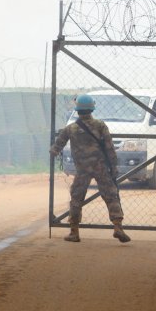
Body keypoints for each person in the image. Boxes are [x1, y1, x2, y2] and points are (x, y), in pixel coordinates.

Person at [50, 94, 131, 243]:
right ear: (92, 109)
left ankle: (74, 233)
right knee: (111, 196)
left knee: (76, 199)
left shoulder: (71, 129)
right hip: (101, 167)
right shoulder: (100, 125)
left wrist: (53, 151)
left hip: (82, 170)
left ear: (78, 110)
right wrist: (113, 167)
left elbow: (57, 147)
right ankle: (118, 227)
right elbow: (109, 148)